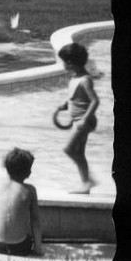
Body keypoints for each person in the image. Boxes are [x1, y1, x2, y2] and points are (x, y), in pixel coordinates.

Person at [0, 148, 42, 256]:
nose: (31, 172)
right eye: (30, 169)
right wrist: (37, 249)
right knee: (28, 235)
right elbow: (35, 221)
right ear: (27, 172)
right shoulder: (30, 190)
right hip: (21, 246)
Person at [57, 42, 100, 193]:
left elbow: (95, 101)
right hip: (78, 120)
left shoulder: (84, 80)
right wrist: (65, 105)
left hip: (83, 121)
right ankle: (86, 184)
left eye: (63, 61)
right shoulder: (75, 78)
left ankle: (89, 179)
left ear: (70, 63)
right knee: (79, 153)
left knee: (68, 149)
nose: (62, 64)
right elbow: (76, 98)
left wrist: (84, 119)